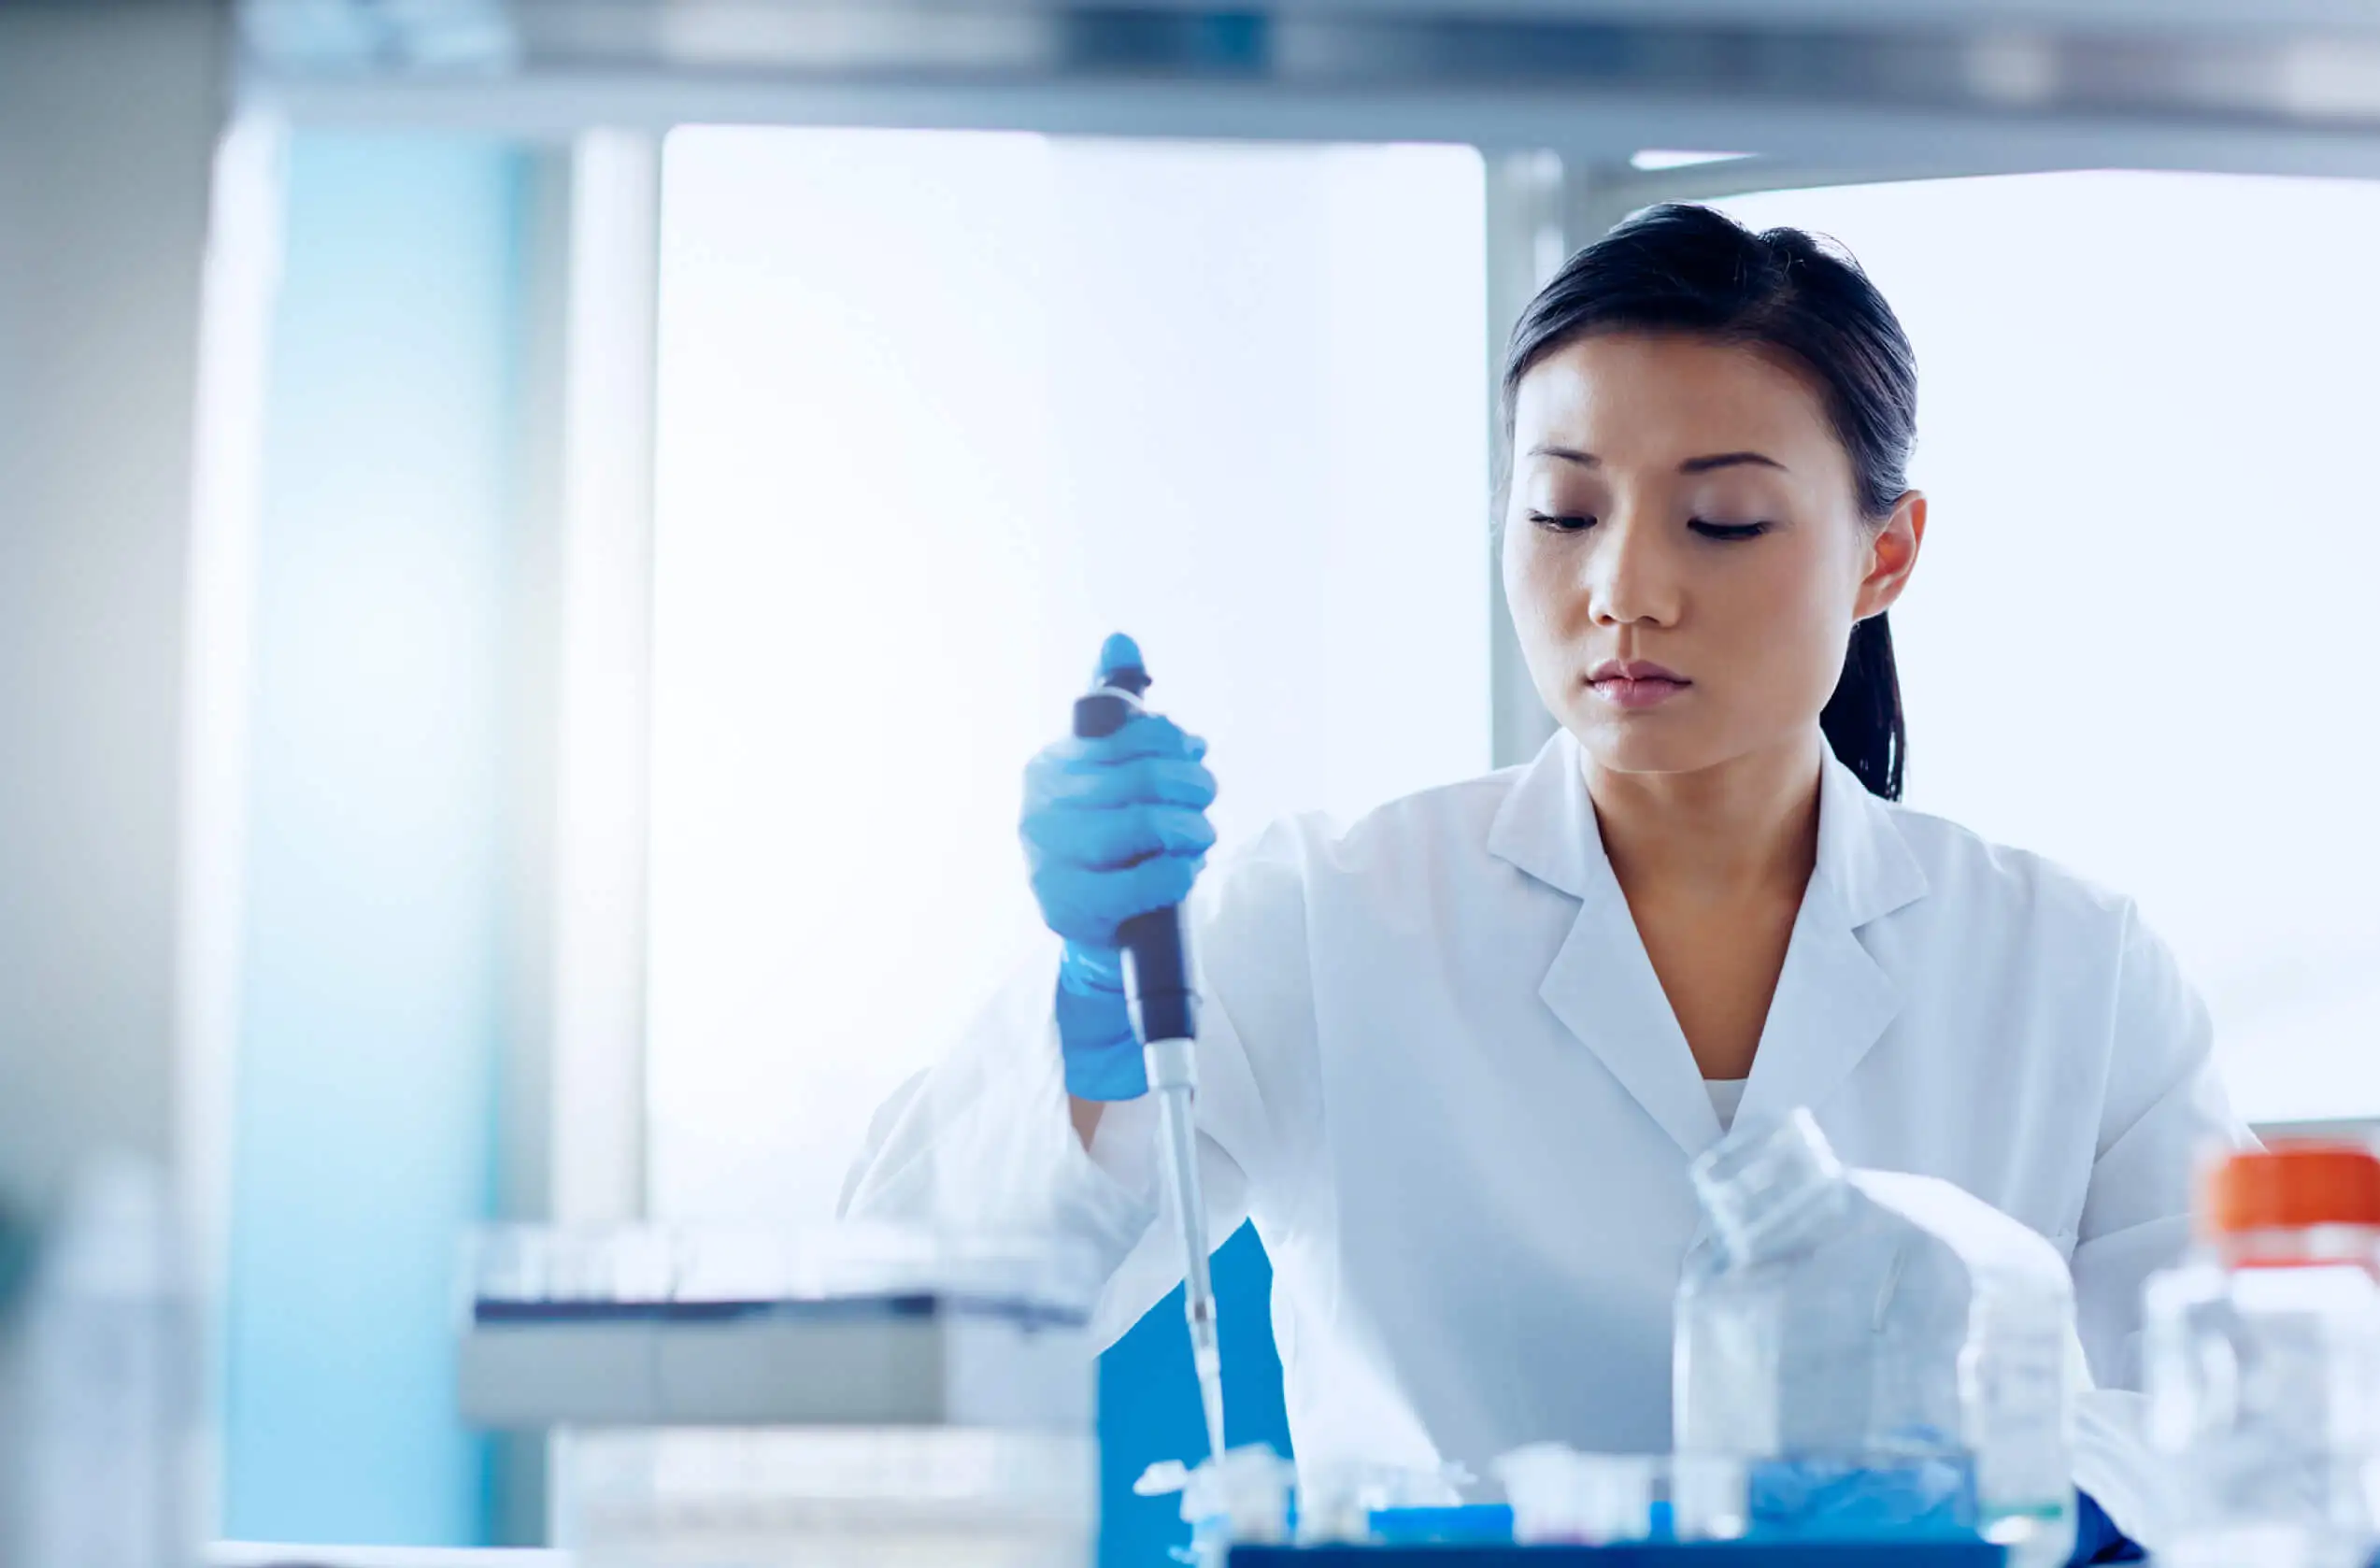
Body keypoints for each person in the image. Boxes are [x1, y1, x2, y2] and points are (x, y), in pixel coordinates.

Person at [842, 203, 2248, 1553]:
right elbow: (910, 1337)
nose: (1625, 587)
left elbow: (2234, 1413)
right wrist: (1093, 1011)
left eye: (1725, 522)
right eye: (1564, 513)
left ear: (1885, 553)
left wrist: (2016, 1509)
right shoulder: (1325, 917)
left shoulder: (2077, 969)